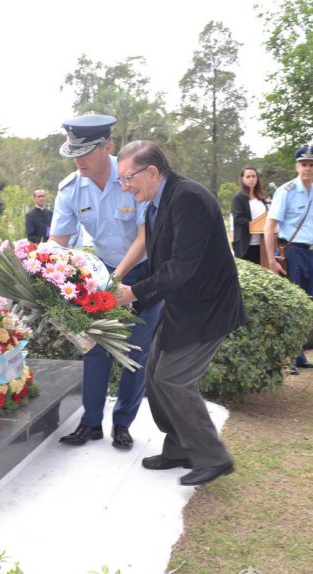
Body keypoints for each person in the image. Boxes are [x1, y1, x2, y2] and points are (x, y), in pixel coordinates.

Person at [112, 140, 245, 487]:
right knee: (156, 375)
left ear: (152, 171)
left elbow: (181, 267)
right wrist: (133, 299)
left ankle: (213, 456)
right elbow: (160, 265)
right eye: (121, 181)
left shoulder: (189, 198)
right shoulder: (155, 204)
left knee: (173, 378)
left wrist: (132, 294)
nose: (125, 187)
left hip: (208, 307)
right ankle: (179, 447)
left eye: (129, 179)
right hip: (183, 306)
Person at [48, 114, 161, 450]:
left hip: (143, 273)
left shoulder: (132, 177)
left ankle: (123, 424)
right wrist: (45, 272)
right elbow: (58, 241)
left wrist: (115, 280)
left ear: (107, 146)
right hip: (101, 274)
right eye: (73, 154)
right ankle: (91, 423)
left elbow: (144, 237)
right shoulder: (70, 189)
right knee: (94, 348)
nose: (78, 160)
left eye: (84, 152)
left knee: (134, 351)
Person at [263, 145, 313, 372]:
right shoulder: (286, 191)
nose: (307, 169)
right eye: (303, 164)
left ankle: (299, 354)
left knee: (307, 304)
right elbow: (269, 227)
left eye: (312, 164)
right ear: (296, 166)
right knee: (292, 305)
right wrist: (271, 259)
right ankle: (287, 359)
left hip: (311, 252)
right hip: (293, 252)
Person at [231, 166, 268, 263]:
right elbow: (238, 218)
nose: (251, 179)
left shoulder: (261, 197)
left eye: (254, 176)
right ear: (242, 179)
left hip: (262, 244)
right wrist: (255, 225)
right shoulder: (238, 197)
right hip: (246, 245)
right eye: (248, 177)